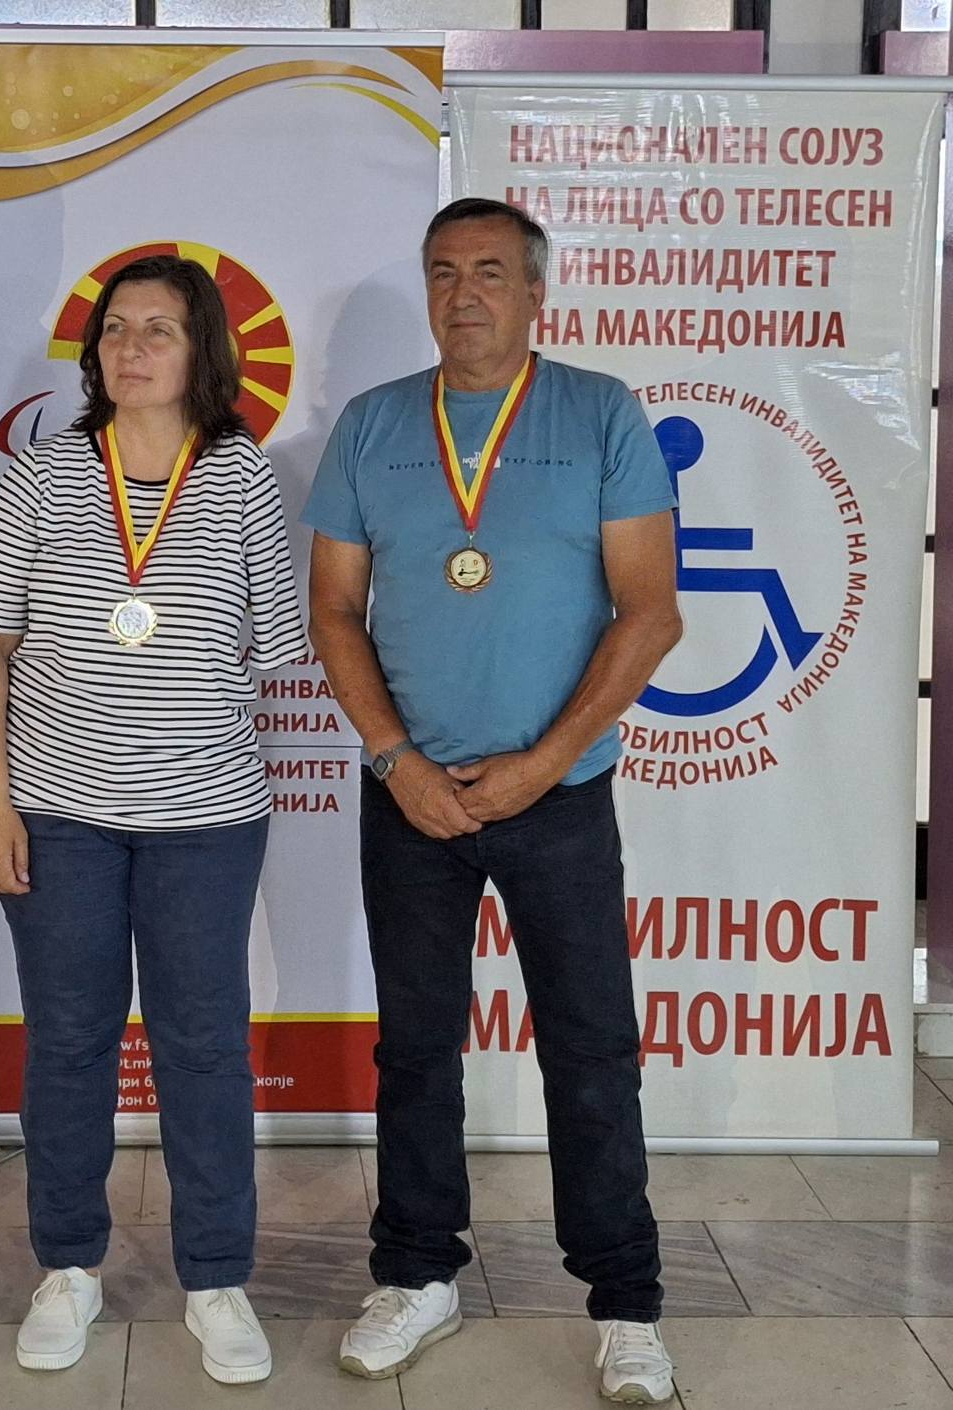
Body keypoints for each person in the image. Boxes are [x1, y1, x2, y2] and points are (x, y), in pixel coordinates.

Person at [304, 197, 683, 1404]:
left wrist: (540, 761)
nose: (460, 294)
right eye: (440, 272)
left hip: (555, 794)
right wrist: (393, 759)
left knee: (589, 1047)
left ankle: (622, 1301)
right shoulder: (372, 424)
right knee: (415, 1048)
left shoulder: (598, 412)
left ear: (533, 293)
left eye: (486, 272)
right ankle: (416, 1274)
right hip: (408, 797)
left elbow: (649, 613)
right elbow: (330, 610)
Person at [0, 254, 307, 1384]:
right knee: (68, 1043)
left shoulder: (243, 478)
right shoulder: (42, 476)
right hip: (59, 815)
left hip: (205, 817)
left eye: (159, 328)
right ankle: (67, 1268)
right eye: (115, 328)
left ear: (202, 351)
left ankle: (216, 1279)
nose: (132, 346)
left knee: (203, 1047)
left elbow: (273, 644)